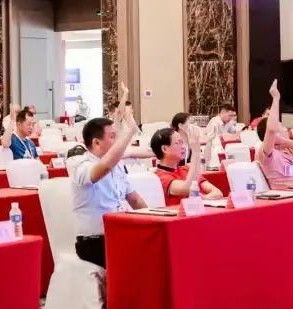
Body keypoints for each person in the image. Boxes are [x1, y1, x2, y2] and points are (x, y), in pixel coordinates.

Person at [71, 84, 146, 268]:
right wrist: (130, 131)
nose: (117, 141)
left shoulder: (117, 166)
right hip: (94, 241)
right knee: (139, 261)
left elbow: (135, 199)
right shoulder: (79, 163)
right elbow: (102, 169)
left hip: (119, 231)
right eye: (113, 137)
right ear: (96, 142)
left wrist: (155, 220)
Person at [150, 126, 224, 203]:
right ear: (164, 149)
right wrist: (196, 152)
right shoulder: (159, 177)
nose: (183, 147)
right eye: (178, 143)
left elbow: (217, 192)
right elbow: (188, 187)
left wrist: (203, 198)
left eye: (182, 142)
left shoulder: (186, 169)